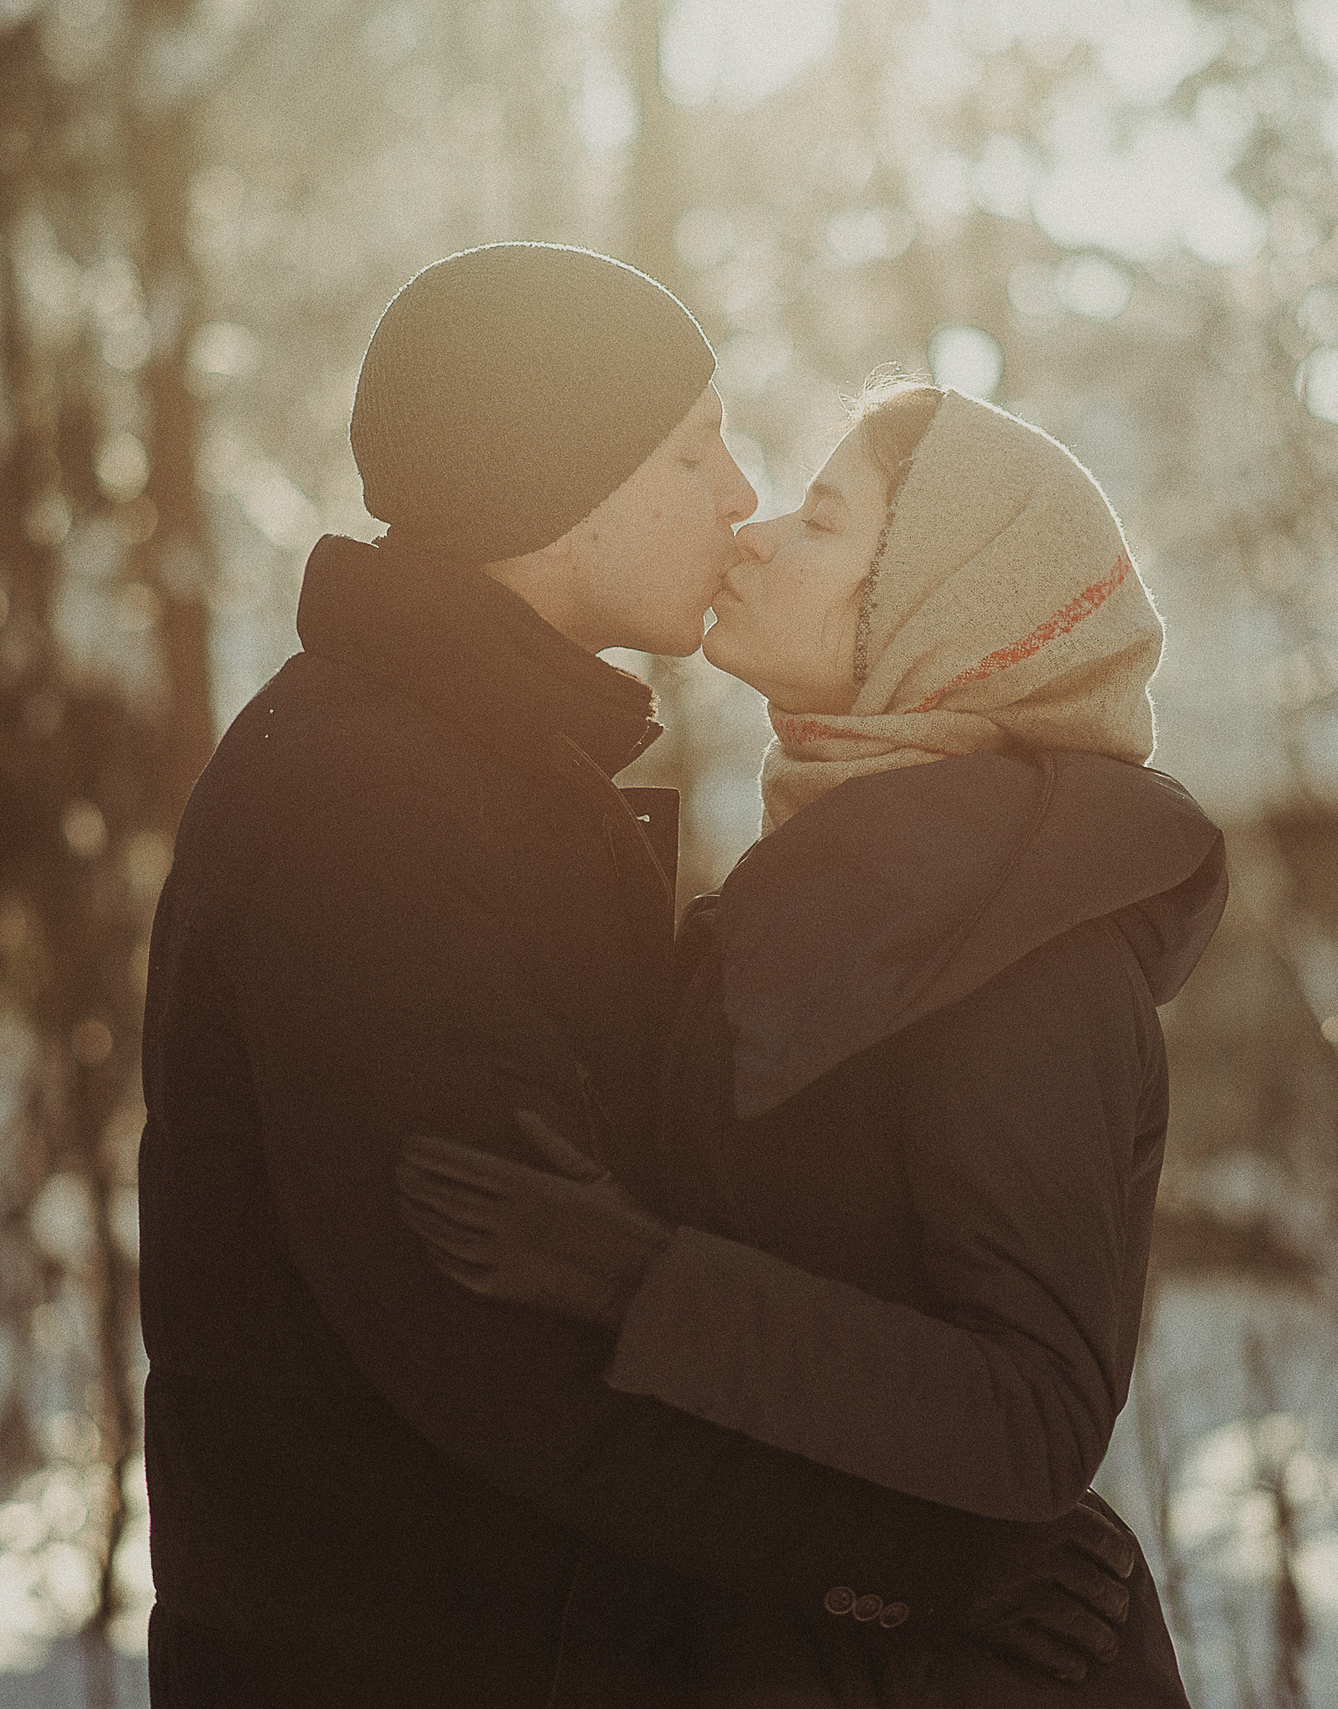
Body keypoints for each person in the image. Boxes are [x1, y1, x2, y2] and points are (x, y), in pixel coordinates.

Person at [138, 248, 1144, 1708]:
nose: (740, 494)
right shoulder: (367, 812)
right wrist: (935, 1562)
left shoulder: (499, 775)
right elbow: (502, 1348)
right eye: (692, 448)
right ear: (561, 485)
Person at [399, 381, 1228, 1705]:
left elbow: (1033, 1414)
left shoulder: (1022, 937)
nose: (756, 532)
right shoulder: (832, 898)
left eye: (825, 520)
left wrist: (640, 1280)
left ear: (935, 613)